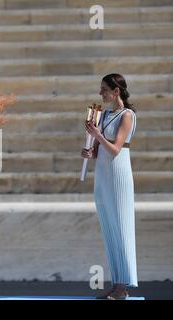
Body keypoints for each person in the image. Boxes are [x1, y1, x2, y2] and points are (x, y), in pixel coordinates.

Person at [82, 73, 138, 300]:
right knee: (109, 229)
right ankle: (116, 284)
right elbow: (99, 151)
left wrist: (97, 134)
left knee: (122, 228)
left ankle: (123, 287)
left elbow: (115, 149)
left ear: (116, 91)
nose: (101, 93)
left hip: (119, 175)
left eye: (105, 89)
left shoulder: (128, 116)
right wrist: (89, 151)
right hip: (103, 175)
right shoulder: (103, 115)